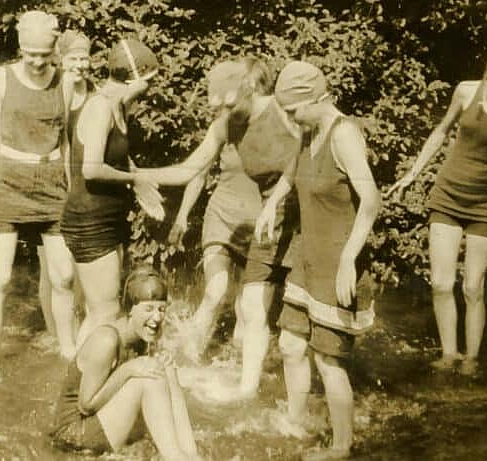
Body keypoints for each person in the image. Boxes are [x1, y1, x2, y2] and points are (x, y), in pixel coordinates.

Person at [138, 57, 302, 398]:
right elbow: (189, 169)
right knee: (252, 304)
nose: (223, 114)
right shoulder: (225, 126)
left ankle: (277, 388)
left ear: (249, 89)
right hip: (259, 224)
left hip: (294, 220)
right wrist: (135, 175)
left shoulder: (283, 110)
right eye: (217, 107)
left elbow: (318, 145)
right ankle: (244, 390)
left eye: (229, 105)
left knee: (277, 319)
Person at [387, 34, 487, 376]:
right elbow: (441, 131)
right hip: (448, 194)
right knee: (441, 283)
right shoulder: (465, 91)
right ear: (486, 64)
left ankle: (471, 359)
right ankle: (448, 354)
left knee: (472, 286)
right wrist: (413, 173)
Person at [256, 61, 382, 460]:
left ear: (314, 99)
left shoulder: (344, 135)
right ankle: (295, 421)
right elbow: (292, 175)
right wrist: (271, 205)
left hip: (336, 263)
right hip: (307, 255)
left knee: (329, 362)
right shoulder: (308, 131)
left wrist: (349, 259)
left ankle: (342, 446)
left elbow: (372, 201)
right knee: (292, 345)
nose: (290, 120)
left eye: (293, 111)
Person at [0, 10, 78, 385]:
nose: (36, 61)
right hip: (8, 181)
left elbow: (65, 141)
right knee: (0, 278)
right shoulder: (1, 78)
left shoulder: (64, 82)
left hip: (52, 184)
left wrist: (72, 190)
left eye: (43, 54)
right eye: (29, 53)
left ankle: (68, 349)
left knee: (64, 275)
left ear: (54, 50)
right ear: (19, 47)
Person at [61, 37, 164, 345]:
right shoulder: (101, 107)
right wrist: (137, 181)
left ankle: (85, 383)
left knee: (103, 312)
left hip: (106, 220)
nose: (149, 89)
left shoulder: (118, 106)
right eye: (149, 81)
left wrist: (136, 179)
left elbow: (114, 156)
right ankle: (80, 387)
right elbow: (91, 168)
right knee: (105, 314)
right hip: (89, 222)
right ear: (134, 77)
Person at [166, 62, 266, 362]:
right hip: (222, 218)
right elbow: (197, 171)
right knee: (215, 291)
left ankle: (233, 365)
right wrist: (182, 216)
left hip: (259, 226)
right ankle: (184, 357)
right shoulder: (225, 127)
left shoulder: (273, 126)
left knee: (246, 310)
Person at [50, 267, 201, 460]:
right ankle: (175, 457)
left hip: (103, 424)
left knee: (165, 368)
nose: (157, 317)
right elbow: (85, 405)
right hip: (74, 436)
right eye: (148, 309)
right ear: (130, 308)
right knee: (149, 378)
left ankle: (191, 454)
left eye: (161, 309)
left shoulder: (143, 336)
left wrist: (159, 361)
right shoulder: (106, 340)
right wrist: (128, 370)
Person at [35, 29, 95, 346]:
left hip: (89, 187)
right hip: (57, 186)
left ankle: (82, 327)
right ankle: (54, 332)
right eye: (73, 58)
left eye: (84, 57)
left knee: (83, 262)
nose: (80, 64)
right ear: (60, 59)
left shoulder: (96, 94)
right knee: (53, 266)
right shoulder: (53, 92)